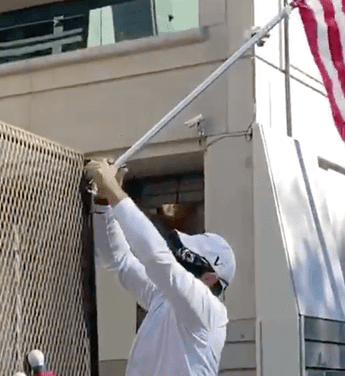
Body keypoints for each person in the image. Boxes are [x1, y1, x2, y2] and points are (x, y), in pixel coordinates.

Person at [87, 159, 236, 376]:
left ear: (210, 278)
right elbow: (120, 260)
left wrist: (114, 191)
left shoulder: (210, 311)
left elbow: (158, 259)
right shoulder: (163, 298)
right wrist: (103, 201)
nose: (179, 259)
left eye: (187, 257)